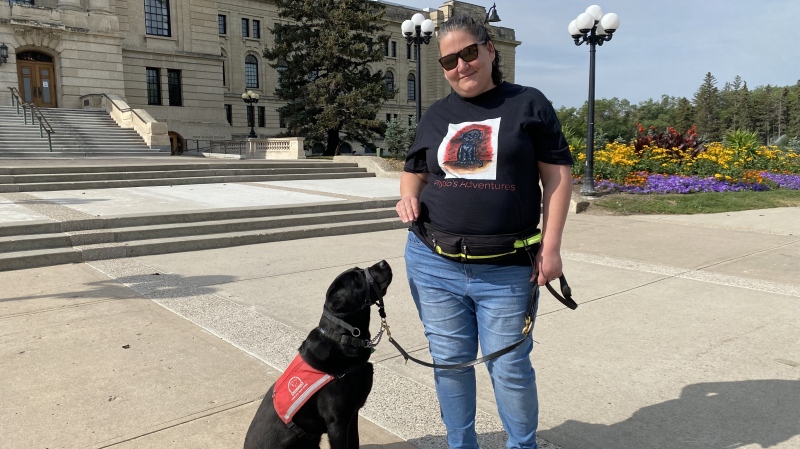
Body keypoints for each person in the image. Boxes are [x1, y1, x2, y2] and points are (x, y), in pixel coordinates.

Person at [395, 14, 574, 449]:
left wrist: (551, 248)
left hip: (508, 269)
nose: (461, 66)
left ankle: (521, 445)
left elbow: (558, 177)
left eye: (469, 53)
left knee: (510, 367)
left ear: (490, 50)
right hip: (433, 262)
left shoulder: (528, 103)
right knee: (450, 364)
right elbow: (414, 170)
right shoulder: (437, 115)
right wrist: (407, 197)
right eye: (449, 61)